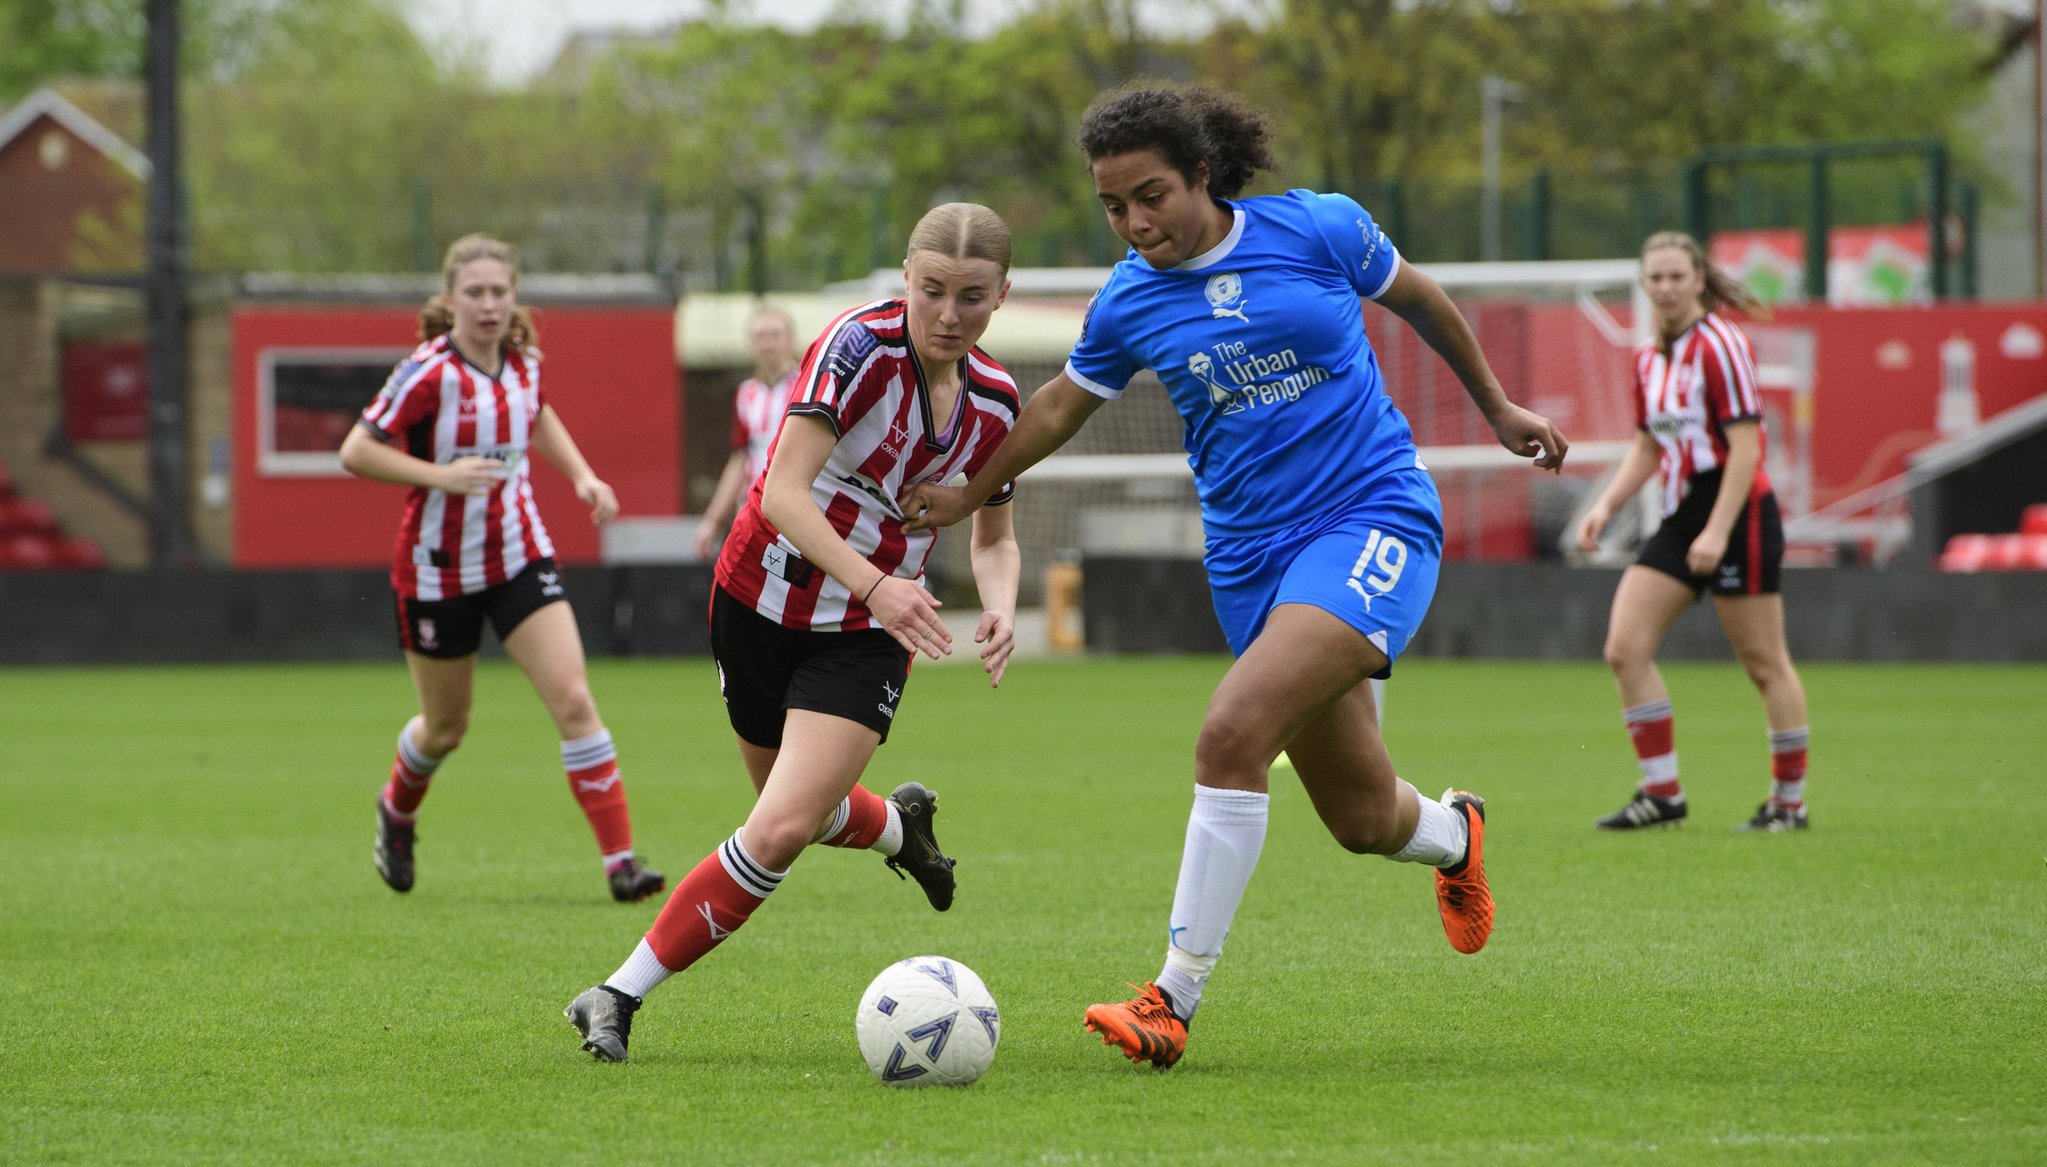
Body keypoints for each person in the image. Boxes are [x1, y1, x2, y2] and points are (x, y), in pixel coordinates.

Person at [900, 84, 1568, 1070]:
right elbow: (1054, 410)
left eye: (1151, 196)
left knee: (1229, 732)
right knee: (1360, 817)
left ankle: (1170, 1000)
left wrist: (1498, 407)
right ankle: (1455, 838)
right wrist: (971, 492)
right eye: (1113, 207)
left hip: (1369, 519)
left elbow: (1418, 297)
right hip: (1249, 561)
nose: (1135, 223)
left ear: (1203, 174)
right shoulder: (1130, 298)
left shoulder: (1318, 229)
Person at [564, 203, 1024, 1062]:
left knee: (775, 829)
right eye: (931, 292)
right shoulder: (855, 347)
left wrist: (997, 601)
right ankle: (900, 827)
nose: (948, 315)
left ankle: (616, 992)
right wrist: (879, 581)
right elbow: (780, 491)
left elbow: (995, 539)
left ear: (1002, 294)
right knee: (795, 815)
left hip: (862, 635)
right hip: (753, 601)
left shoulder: (998, 405)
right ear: (905, 279)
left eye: (970, 296)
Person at [339, 233, 664, 904]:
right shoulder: (427, 371)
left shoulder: (523, 362)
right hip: (435, 573)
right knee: (445, 728)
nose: (488, 305)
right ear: (451, 298)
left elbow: (535, 412)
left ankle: (621, 862)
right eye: (475, 293)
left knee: (574, 698)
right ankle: (397, 810)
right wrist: (441, 476)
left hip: (519, 555)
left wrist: (582, 475)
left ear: (513, 294)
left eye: (499, 291)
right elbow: (355, 450)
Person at [1576, 231, 1811, 833]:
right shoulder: (1647, 357)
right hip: (1682, 517)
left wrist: (1718, 531)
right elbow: (1649, 446)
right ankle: (1663, 795)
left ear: (1699, 279)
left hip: (1736, 512)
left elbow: (1745, 448)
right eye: (1655, 278)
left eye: (1677, 276)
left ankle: (1788, 802)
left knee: (1764, 663)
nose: (1665, 288)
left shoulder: (1720, 343)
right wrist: (1605, 506)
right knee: (1624, 648)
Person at [693, 304, 800, 560]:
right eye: (760, 337)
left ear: (790, 340)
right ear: (751, 344)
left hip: (798, 510)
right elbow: (740, 459)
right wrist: (712, 520)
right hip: (754, 510)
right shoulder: (746, 394)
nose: (768, 344)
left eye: (774, 335)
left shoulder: (807, 386)